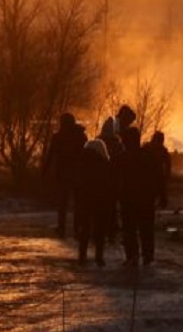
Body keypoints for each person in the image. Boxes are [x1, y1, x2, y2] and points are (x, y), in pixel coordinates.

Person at [120, 126, 166, 266]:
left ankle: (133, 256)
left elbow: (115, 180)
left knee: (130, 229)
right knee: (146, 229)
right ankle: (147, 256)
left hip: (129, 200)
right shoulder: (148, 156)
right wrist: (162, 195)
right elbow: (159, 177)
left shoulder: (123, 158)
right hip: (146, 199)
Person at [42, 112, 87, 238]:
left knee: (63, 202)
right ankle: (76, 227)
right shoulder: (81, 136)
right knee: (77, 202)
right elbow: (86, 156)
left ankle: (62, 227)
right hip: (77, 173)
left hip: (64, 173)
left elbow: (51, 155)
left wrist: (44, 172)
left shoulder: (58, 137)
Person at [74, 138, 114, 266]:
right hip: (101, 199)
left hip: (85, 198)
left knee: (85, 228)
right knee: (100, 230)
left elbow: (77, 182)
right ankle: (99, 257)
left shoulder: (81, 162)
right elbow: (109, 183)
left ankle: (82, 255)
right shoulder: (105, 163)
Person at [98, 117, 124, 244]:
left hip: (101, 179)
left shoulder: (98, 143)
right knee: (112, 207)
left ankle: (101, 231)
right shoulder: (118, 144)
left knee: (101, 206)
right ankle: (111, 232)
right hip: (114, 179)